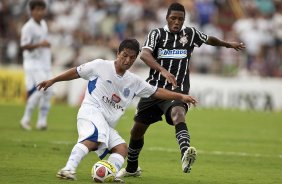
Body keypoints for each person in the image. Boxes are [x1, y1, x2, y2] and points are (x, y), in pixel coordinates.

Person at [37, 39, 197, 182]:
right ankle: (68, 169)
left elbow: (156, 91)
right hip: (91, 111)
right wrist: (53, 80)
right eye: (124, 55)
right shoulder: (100, 65)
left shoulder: (133, 81)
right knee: (94, 138)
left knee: (122, 148)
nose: (127, 60)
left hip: (106, 122)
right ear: (118, 53)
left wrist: (181, 97)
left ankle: (108, 173)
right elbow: (76, 72)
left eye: (132, 58)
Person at [117, 2, 246, 177]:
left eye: (180, 19)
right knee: (137, 130)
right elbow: (145, 54)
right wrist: (163, 70)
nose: (177, 22)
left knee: (178, 114)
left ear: (184, 20)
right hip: (154, 89)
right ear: (167, 18)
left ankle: (186, 153)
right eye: (173, 18)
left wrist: (227, 44)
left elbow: (209, 39)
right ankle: (132, 169)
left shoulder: (190, 34)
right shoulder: (157, 34)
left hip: (178, 90)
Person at [20, 0, 52, 130]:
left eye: (42, 10)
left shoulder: (43, 24)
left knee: (49, 91)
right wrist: (40, 44)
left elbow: (43, 42)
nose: (40, 12)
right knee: (42, 89)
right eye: (37, 10)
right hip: (32, 63)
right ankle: (25, 119)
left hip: (44, 63)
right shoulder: (28, 27)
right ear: (31, 11)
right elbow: (24, 46)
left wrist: (45, 45)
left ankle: (41, 122)